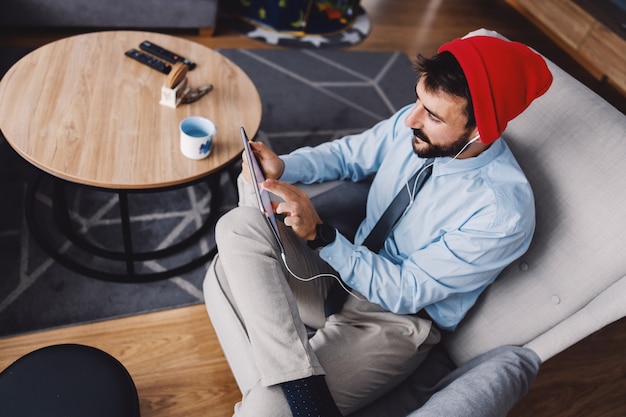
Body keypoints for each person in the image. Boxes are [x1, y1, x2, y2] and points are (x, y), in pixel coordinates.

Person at [203, 34, 552, 417]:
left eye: (433, 116)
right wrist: (285, 167)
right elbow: (348, 155)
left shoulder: (502, 214)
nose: (411, 119)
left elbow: (406, 290)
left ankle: (291, 398)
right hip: (336, 269)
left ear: (481, 133)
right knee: (238, 225)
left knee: (264, 411)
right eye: (419, 100)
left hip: (392, 321)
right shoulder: (415, 123)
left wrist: (322, 236)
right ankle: (302, 389)